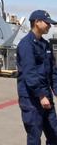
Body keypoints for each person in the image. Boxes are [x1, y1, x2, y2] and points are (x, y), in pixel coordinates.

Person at [17, 10, 57, 144]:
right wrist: (41, 95)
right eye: (47, 23)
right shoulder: (26, 45)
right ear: (36, 22)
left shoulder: (45, 45)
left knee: (54, 134)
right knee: (34, 136)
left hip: (46, 96)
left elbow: (52, 71)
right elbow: (29, 73)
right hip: (31, 98)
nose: (49, 26)